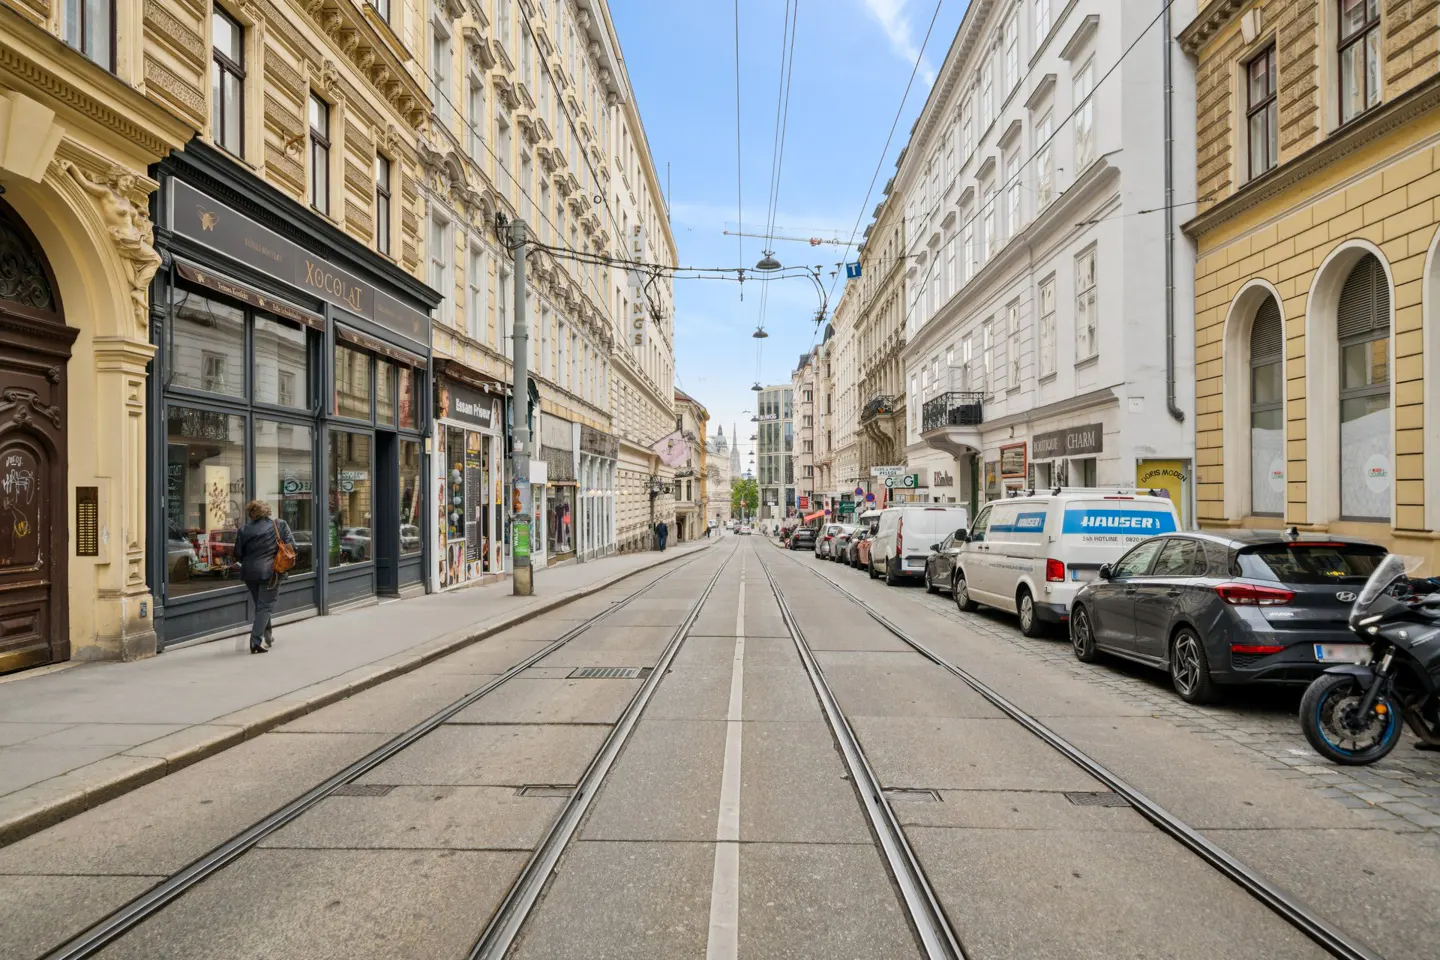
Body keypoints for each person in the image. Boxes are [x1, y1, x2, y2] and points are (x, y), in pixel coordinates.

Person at [233, 499, 294, 654]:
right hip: (271, 573)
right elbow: (293, 547)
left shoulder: (243, 530)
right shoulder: (279, 525)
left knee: (261, 606)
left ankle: (268, 636)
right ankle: (255, 642)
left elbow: (238, 555)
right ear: (267, 511)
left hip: (249, 573)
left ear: (251, 514)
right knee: (264, 607)